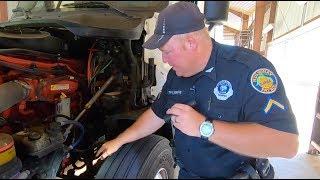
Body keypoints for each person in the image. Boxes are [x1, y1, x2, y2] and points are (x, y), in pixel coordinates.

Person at [96, 1, 299, 178]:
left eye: (167, 52)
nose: (164, 61)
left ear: (191, 43)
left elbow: (287, 144)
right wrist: (118, 141)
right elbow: (156, 114)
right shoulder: (176, 76)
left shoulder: (248, 70)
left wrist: (204, 127)